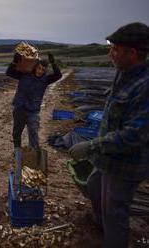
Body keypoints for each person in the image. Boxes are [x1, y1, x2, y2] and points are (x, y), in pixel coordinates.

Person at [69, 22, 149, 248]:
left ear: (132, 53)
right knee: (94, 187)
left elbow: (134, 135)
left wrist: (92, 145)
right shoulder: (123, 73)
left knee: (115, 212)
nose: (110, 53)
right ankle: (100, 227)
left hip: (125, 164)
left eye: (115, 49)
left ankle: (113, 239)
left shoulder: (144, 86)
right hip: (107, 157)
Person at [6, 52, 62, 151]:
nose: (40, 71)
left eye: (43, 70)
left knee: (33, 131)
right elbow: (9, 73)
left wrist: (53, 63)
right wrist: (14, 61)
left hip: (33, 110)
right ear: (35, 67)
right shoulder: (24, 75)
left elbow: (58, 75)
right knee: (17, 132)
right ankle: (17, 151)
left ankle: (34, 152)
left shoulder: (46, 80)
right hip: (20, 108)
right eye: (39, 68)